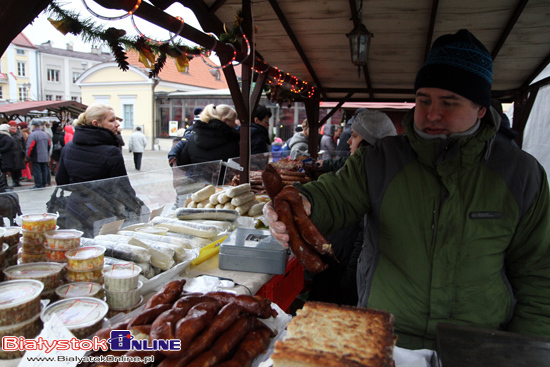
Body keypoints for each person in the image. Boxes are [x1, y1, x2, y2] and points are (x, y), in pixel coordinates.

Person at [264, 29, 550, 349]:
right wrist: (305, 201)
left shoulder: (521, 175)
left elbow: (539, 276)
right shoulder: (381, 159)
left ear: (481, 109)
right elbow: (335, 194)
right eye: (423, 100)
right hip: (387, 337)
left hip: (479, 344)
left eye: (449, 102)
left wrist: (528, 349)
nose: (431, 114)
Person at [308, 109, 397, 306]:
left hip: (344, 272)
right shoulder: (368, 170)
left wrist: (347, 285)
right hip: (338, 263)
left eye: (354, 136)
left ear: (370, 143)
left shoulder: (372, 180)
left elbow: (361, 241)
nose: (348, 141)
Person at [56, 103, 146, 237]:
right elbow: (123, 191)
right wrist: (140, 208)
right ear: (96, 123)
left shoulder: (68, 147)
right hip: (102, 212)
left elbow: (62, 182)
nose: (117, 124)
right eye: (111, 120)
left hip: (75, 208)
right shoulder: (111, 152)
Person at [176, 103, 240, 185]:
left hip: (194, 187)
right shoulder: (232, 141)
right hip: (221, 190)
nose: (235, 124)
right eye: (233, 120)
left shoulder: (193, 137)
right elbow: (236, 168)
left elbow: (182, 163)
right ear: (225, 120)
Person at [26, 120, 51, 189]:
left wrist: (28, 155)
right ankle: (44, 183)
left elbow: (30, 147)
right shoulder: (45, 134)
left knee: (37, 170)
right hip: (45, 155)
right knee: (44, 169)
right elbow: (49, 145)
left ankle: (38, 184)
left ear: (33, 126)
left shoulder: (32, 135)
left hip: (36, 155)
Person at [8, 121, 26, 187]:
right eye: (11, 126)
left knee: (19, 168)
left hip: (19, 153)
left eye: (14, 126)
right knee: (12, 168)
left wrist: (24, 150)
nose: (13, 127)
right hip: (11, 153)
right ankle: (14, 181)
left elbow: (24, 143)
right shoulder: (8, 134)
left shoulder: (20, 133)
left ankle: (18, 180)